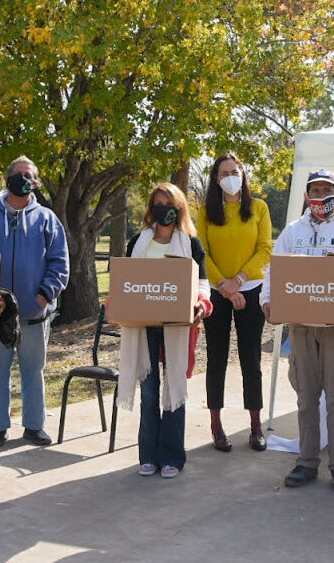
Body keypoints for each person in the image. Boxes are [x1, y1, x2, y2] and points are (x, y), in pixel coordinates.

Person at [261, 169, 334, 494]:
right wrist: (267, 300)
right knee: (305, 398)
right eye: (314, 189)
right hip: (300, 328)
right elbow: (274, 270)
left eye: (327, 189)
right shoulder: (292, 232)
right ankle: (306, 462)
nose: (320, 196)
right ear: (305, 196)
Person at [114, 182, 211, 479]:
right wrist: (114, 304)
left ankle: (172, 457)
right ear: (150, 208)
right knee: (149, 392)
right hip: (143, 328)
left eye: (168, 204)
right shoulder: (138, 241)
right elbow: (125, 280)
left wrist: (201, 305)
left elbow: (203, 284)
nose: (163, 209)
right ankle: (148, 456)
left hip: (176, 328)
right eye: (157, 203)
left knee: (173, 390)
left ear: (179, 208)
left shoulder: (191, 243)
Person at [0, 156, 70, 448]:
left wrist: (44, 295)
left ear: (36, 183)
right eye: (17, 174)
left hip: (35, 313)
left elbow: (60, 262)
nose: (23, 179)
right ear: (6, 179)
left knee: (33, 371)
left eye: (28, 175)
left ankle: (34, 426)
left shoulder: (47, 219)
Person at [197, 153, 273, 452]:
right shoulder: (204, 212)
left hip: (250, 289)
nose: (230, 176)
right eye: (223, 173)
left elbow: (265, 248)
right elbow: (202, 253)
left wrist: (238, 281)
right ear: (216, 179)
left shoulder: (259, 207)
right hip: (216, 291)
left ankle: (255, 426)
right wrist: (226, 289)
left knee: (250, 359)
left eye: (234, 171)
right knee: (216, 359)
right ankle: (216, 426)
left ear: (243, 174)